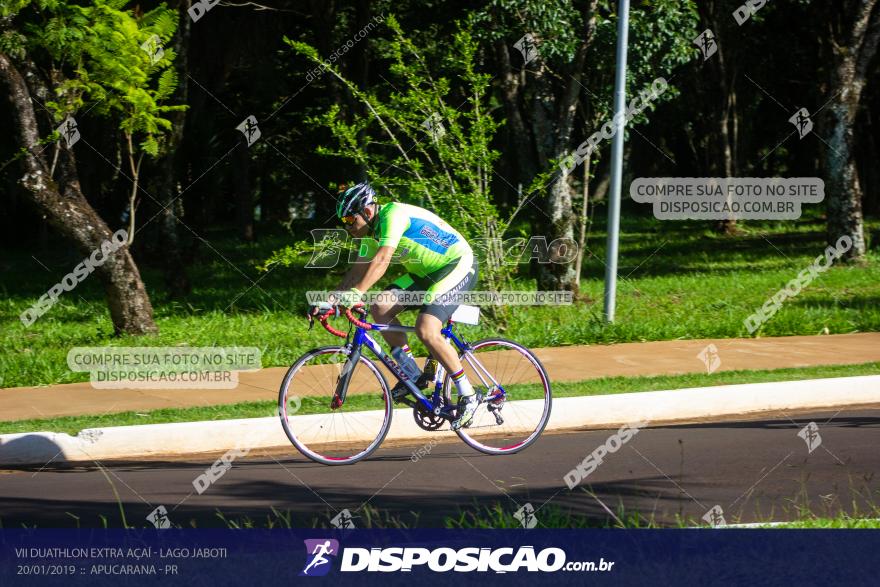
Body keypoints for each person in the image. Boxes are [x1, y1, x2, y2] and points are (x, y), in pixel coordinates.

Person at [310, 182, 480, 430]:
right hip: (426, 274)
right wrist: (330, 301)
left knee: (426, 329)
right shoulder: (372, 232)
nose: (346, 226)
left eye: (349, 219)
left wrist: (358, 293)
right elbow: (356, 272)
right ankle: (412, 374)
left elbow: (382, 259)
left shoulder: (393, 215)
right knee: (380, 308)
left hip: (456, 264)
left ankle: (469, 395)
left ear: (366, 212)